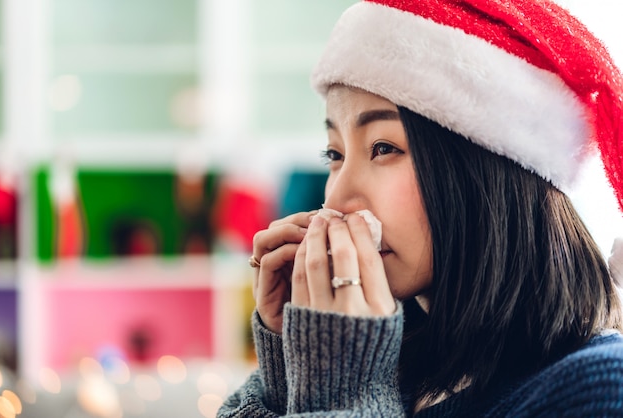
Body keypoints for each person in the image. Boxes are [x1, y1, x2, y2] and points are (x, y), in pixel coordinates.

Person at [218, 0, 623, 416]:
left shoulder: (601, 388)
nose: (336, 200)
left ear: (482, 170)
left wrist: (344, 395)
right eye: (334, 155)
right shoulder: (394, 361)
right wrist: (293, 364)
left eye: (383, 148)